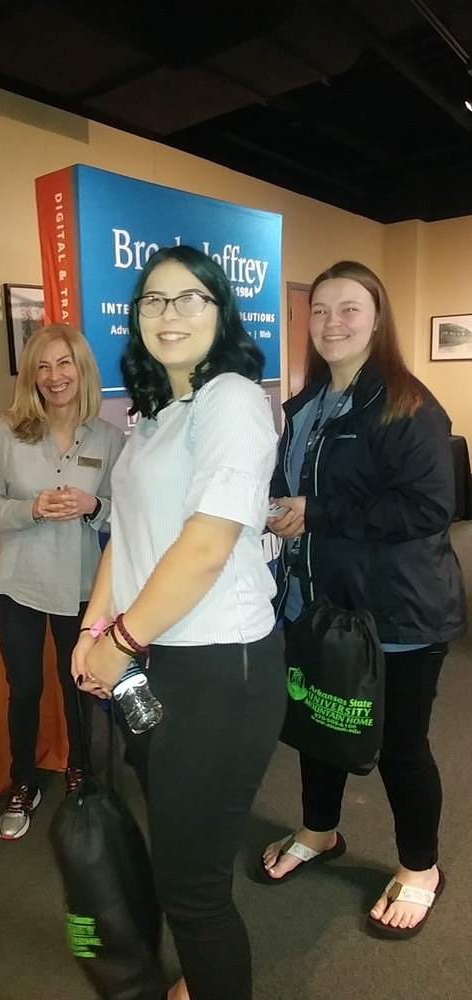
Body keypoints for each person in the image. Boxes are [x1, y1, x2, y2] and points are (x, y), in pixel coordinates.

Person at [72, 245, 286, 1000]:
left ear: (220, 310)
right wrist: (92, 631)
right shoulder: (156, 411)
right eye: (153, 300)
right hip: (154, 657)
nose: (170, 314)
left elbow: (203, 548)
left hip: (216, 667)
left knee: (190, 889)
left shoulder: (230, 397)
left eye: (189, 297)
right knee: (177, 849)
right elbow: (127, 538)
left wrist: (121, 641)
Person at [259, 260, 466, 939]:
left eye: (348, 309)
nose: (331, 323)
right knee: (317, 729)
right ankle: (318, 832)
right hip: (318, 608)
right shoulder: (304, 407)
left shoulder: (408, 404)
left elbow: (428, 508)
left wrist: (316, 512)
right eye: (319, 310)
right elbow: (305, 496)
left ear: (376, 318)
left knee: (400, 747)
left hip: (397, 616)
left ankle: (419, 867)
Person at [0, 323, 124, 839]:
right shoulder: (5, 430)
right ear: (31, 376)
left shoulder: (107, 438)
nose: (54, 376)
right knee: (25, 688)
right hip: (17, 583)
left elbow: (121, 512)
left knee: (78, 687)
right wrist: (31, 508)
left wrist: (93, 506)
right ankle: (23, 782)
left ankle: (81, 774)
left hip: (81, 587)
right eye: (42, 365)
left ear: (81, 370)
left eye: (64, 364)